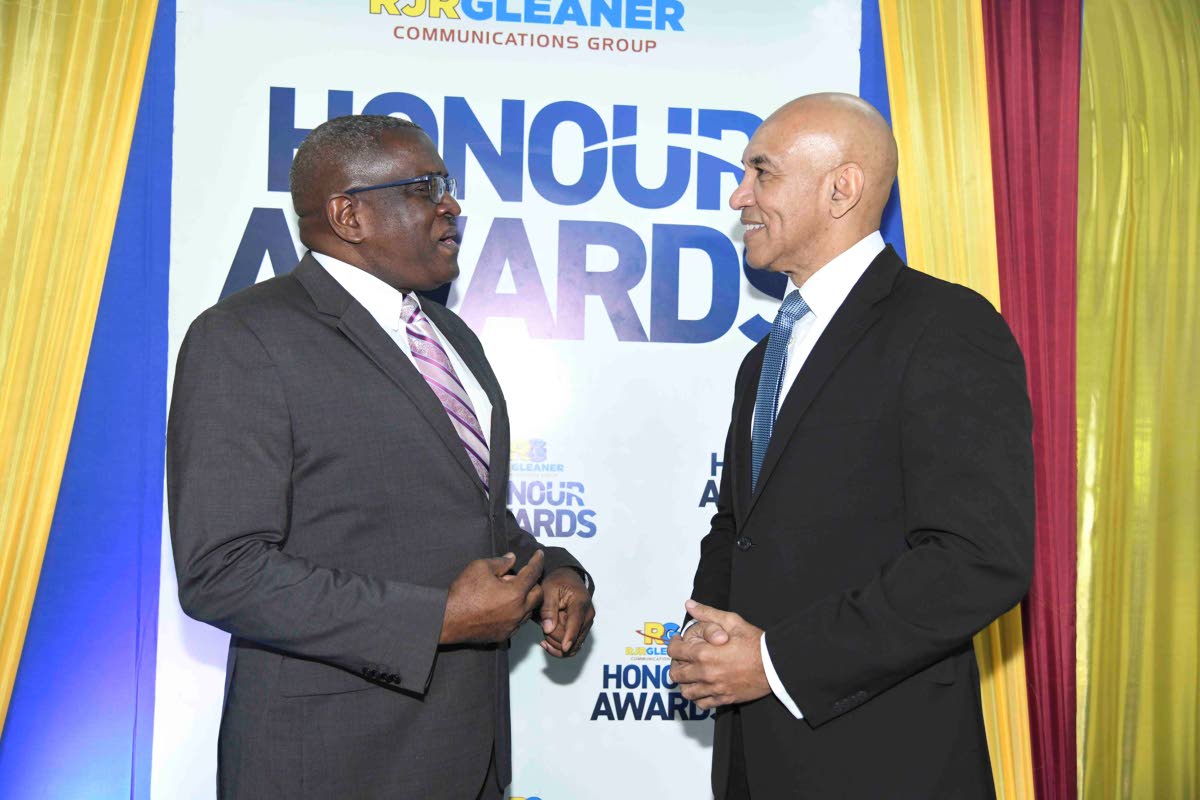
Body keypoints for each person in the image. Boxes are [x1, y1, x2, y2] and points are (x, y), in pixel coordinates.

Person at [168, 114, 594, 799]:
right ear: (349, 214)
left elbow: (468, 509)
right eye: (427, 187)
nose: (452, 205)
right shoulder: (244, 338)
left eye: (447, 186)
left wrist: (558, 574)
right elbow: (223, 571)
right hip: (334, 765)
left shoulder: (450, 335)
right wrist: (437, 620)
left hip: (470, 756)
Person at [667, 93, 1033, 798]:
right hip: (754, 758)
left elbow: (978, 560)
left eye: (761, 172)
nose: (739, 196)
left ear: (842, 188)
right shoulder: (765, 356)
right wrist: (710, 644)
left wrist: (774, 662)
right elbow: (741, 525)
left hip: (882, 763)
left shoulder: (946, 327)